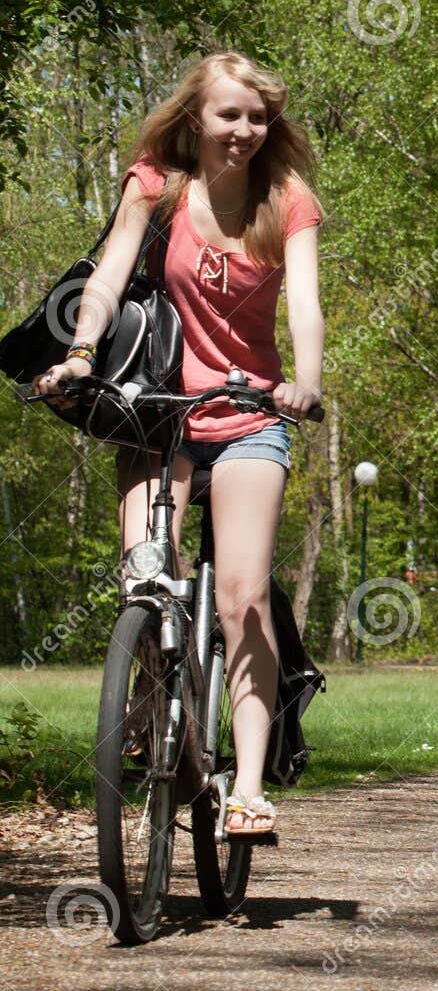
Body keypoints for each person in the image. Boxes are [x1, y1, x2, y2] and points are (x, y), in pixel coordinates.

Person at [31, 51, 324, 839]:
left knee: (241, 597)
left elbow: (305, 306)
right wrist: (82, 354)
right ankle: (157, 709)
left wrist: (303, 378)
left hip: (250, 415)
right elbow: (107, 275)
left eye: (257, 118)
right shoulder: (155, 184)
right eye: (230, 115)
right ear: (196, 117)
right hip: (160, 411)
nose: (244, 131)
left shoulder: (286, 199)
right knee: (142, 579)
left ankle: (251, 787)